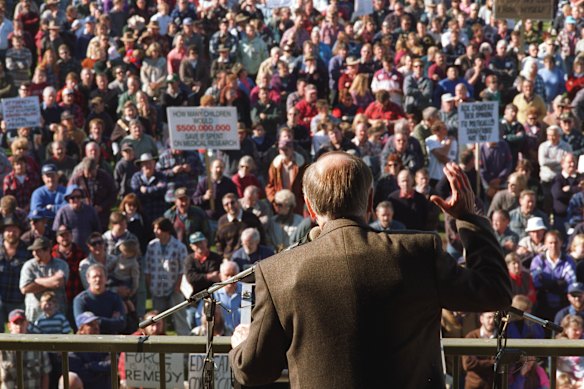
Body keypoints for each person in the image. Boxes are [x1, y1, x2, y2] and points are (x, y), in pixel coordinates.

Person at [229, 153, 511, 388]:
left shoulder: (278, 272)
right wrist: (468, 219)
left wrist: (241, 346)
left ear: (309, 209)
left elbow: (254, 370)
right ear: (370, 201)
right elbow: (494, 292)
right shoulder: (419, 252)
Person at [19, 236, 69, 322]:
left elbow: (59, 283)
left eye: (38, 251)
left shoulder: (61, 264)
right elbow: (25, 289)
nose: (34, 253)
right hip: (34, 314)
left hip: (57, 314)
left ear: (48, 250)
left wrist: (37, 281)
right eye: (33, 251)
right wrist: (51, 281)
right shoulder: (29, 266)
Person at [0, 309, 51, 389]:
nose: (19, 326)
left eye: (22, 322)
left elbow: (45, 374)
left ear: (27, 324)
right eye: (16, 323)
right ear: (9, 326)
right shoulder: (2, 347)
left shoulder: (38, 344)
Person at [73, 264, 127, 334]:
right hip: (89, 340)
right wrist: (110, 322)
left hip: (111, 340)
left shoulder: (115, 298)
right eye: (94, 277)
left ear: (106, 279)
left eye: (101, 276)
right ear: (88, 279)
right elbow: (81, 325)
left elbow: (121, 324)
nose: (98, 279)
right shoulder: (80, 300)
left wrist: (96, 321)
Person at [462, 312, 497, 388]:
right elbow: (468, 364)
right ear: (481, 319)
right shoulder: (471, 336)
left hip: (493, 385)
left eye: (494, 317)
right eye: (489, 317)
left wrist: (479, 363)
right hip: (473, 385)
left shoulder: (500, 338)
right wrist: (492, 362)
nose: (492, 321)